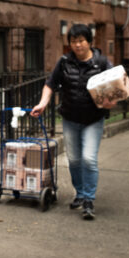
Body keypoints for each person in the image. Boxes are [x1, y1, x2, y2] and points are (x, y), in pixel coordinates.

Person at [30, 24, 112, 220]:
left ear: (90, 42)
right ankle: (81, 193)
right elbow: (50, 84)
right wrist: (42, 104)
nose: (77, 45)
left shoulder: (101, 62)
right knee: (74, 160)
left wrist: (112, 101)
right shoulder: (65, 62)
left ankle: (89, 200)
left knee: (89, 159)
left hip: (93, 119)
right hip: (70, 118)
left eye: (81, 41)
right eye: (74, 42)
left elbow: (116, 85)